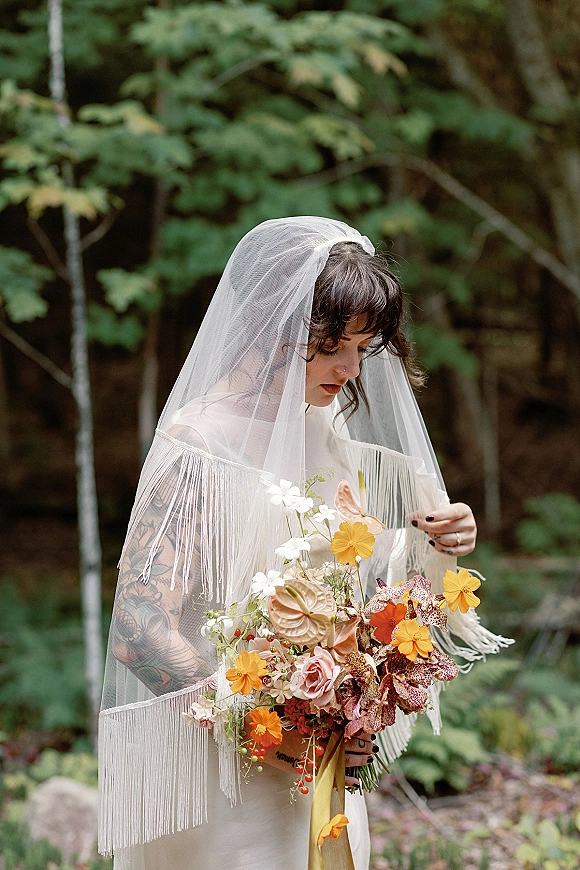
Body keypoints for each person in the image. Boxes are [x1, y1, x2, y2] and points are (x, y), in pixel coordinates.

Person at [98, 217, 509, 870]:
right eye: (330, 345)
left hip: (323, 758)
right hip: (227, 779)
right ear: (272, 329)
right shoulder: (199, 447)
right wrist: (256, 720)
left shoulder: (325, 434)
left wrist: (433, 545)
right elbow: (139, 626)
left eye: (362, 347)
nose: (349, 370)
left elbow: (345, 571)